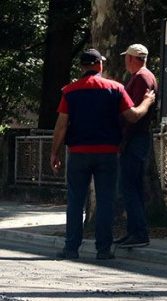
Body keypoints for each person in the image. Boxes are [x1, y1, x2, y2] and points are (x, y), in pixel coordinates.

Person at [50, 49, 155, 261]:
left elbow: (61, 126)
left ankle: (71, 248)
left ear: (82, 67)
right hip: (108, 153)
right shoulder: (115, 88)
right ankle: (103, 249)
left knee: (75, 201)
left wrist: (55, 153)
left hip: (78, 153)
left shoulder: (69, 91)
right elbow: (132, 117)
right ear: (99, 66)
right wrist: (146, 102)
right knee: (106, 201)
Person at [116, 43, 157, 248]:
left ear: (131, 58)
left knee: (129, 187)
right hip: (137, 138)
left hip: (134, 138)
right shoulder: (144, 76)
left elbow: (133, 114)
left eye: (126, 57)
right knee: (133, 187)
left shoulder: (141, 77)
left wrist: (123, 140)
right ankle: (134, 231)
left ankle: (138, 232)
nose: (125, 61)